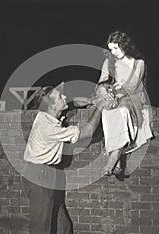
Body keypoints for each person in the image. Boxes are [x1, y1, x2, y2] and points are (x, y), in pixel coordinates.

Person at [23, 82, 114, 234]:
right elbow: (86, 132)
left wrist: (93, 101)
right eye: (59, 97)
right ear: (52, 106)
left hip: (49, 173)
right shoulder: (48, 127)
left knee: (63, 226)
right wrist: (100, 106)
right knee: (41, 227)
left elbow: (72, 102)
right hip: (39, 175)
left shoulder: (49, 113)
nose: (64, 96)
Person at [96, 30, 153, 178]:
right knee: (107, 113)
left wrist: (115, 90)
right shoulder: (109, 63)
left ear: (124, 45)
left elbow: (132, 86)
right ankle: (118, 159)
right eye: (111, 49)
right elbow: (101, 83)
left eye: (116, 48)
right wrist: (104, 91)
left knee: (123, 112)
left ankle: (113, 158)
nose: (113, 52)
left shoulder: (138, 63)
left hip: (131, 99)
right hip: (113, 98)